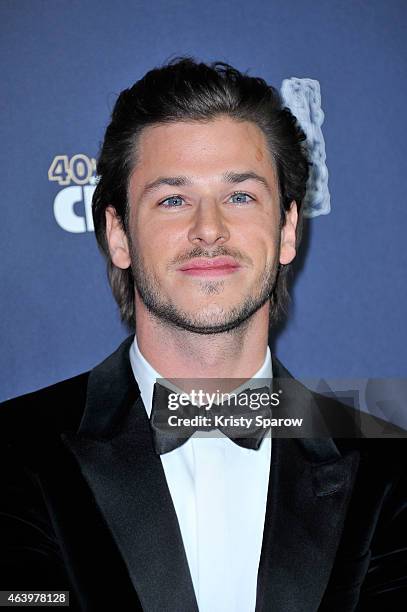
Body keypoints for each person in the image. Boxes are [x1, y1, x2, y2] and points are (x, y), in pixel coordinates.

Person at [0, 58, 406, 612]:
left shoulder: (388, 467)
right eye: (173, 199)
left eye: (240, 196)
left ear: (287, 230)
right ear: (118, 235)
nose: (209, 229)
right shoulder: (14, 451)